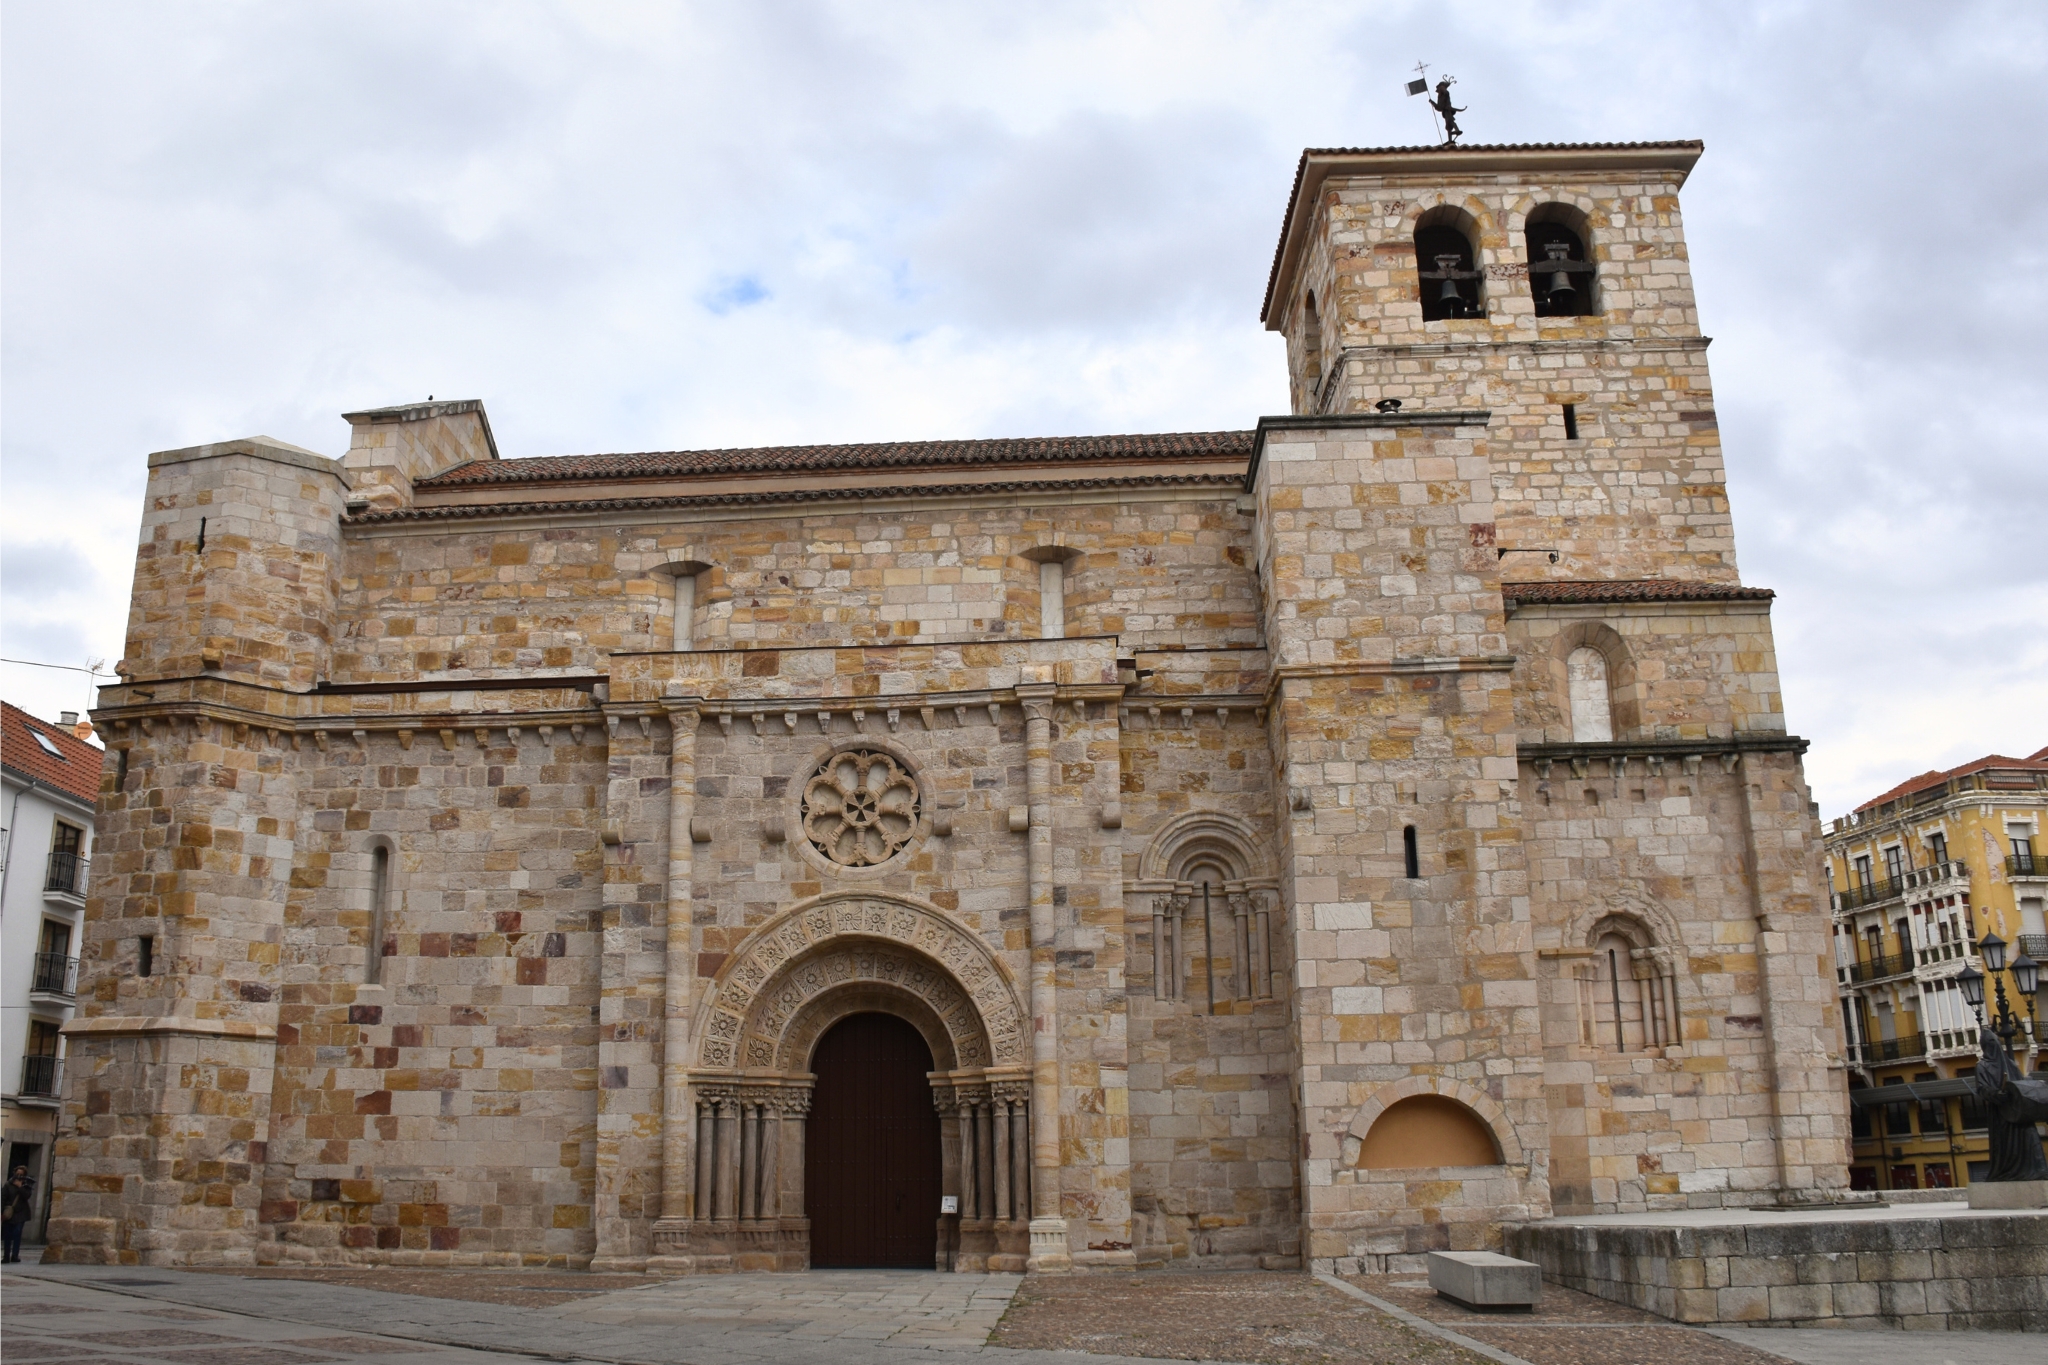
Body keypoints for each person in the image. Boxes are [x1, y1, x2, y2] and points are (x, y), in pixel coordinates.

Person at [1, 1165, 33, 1262]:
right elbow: (2, 1198)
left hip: (21, 1213)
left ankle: (15, 1255)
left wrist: (20, 1187)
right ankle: (6, 1256)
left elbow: (27, 1196)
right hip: (9, 1212)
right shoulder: (8, 1185)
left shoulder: (26, 1185)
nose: (18, 1176)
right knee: (7, 1235)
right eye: (17, 1174)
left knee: (17, 1234)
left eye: (21, 1174)